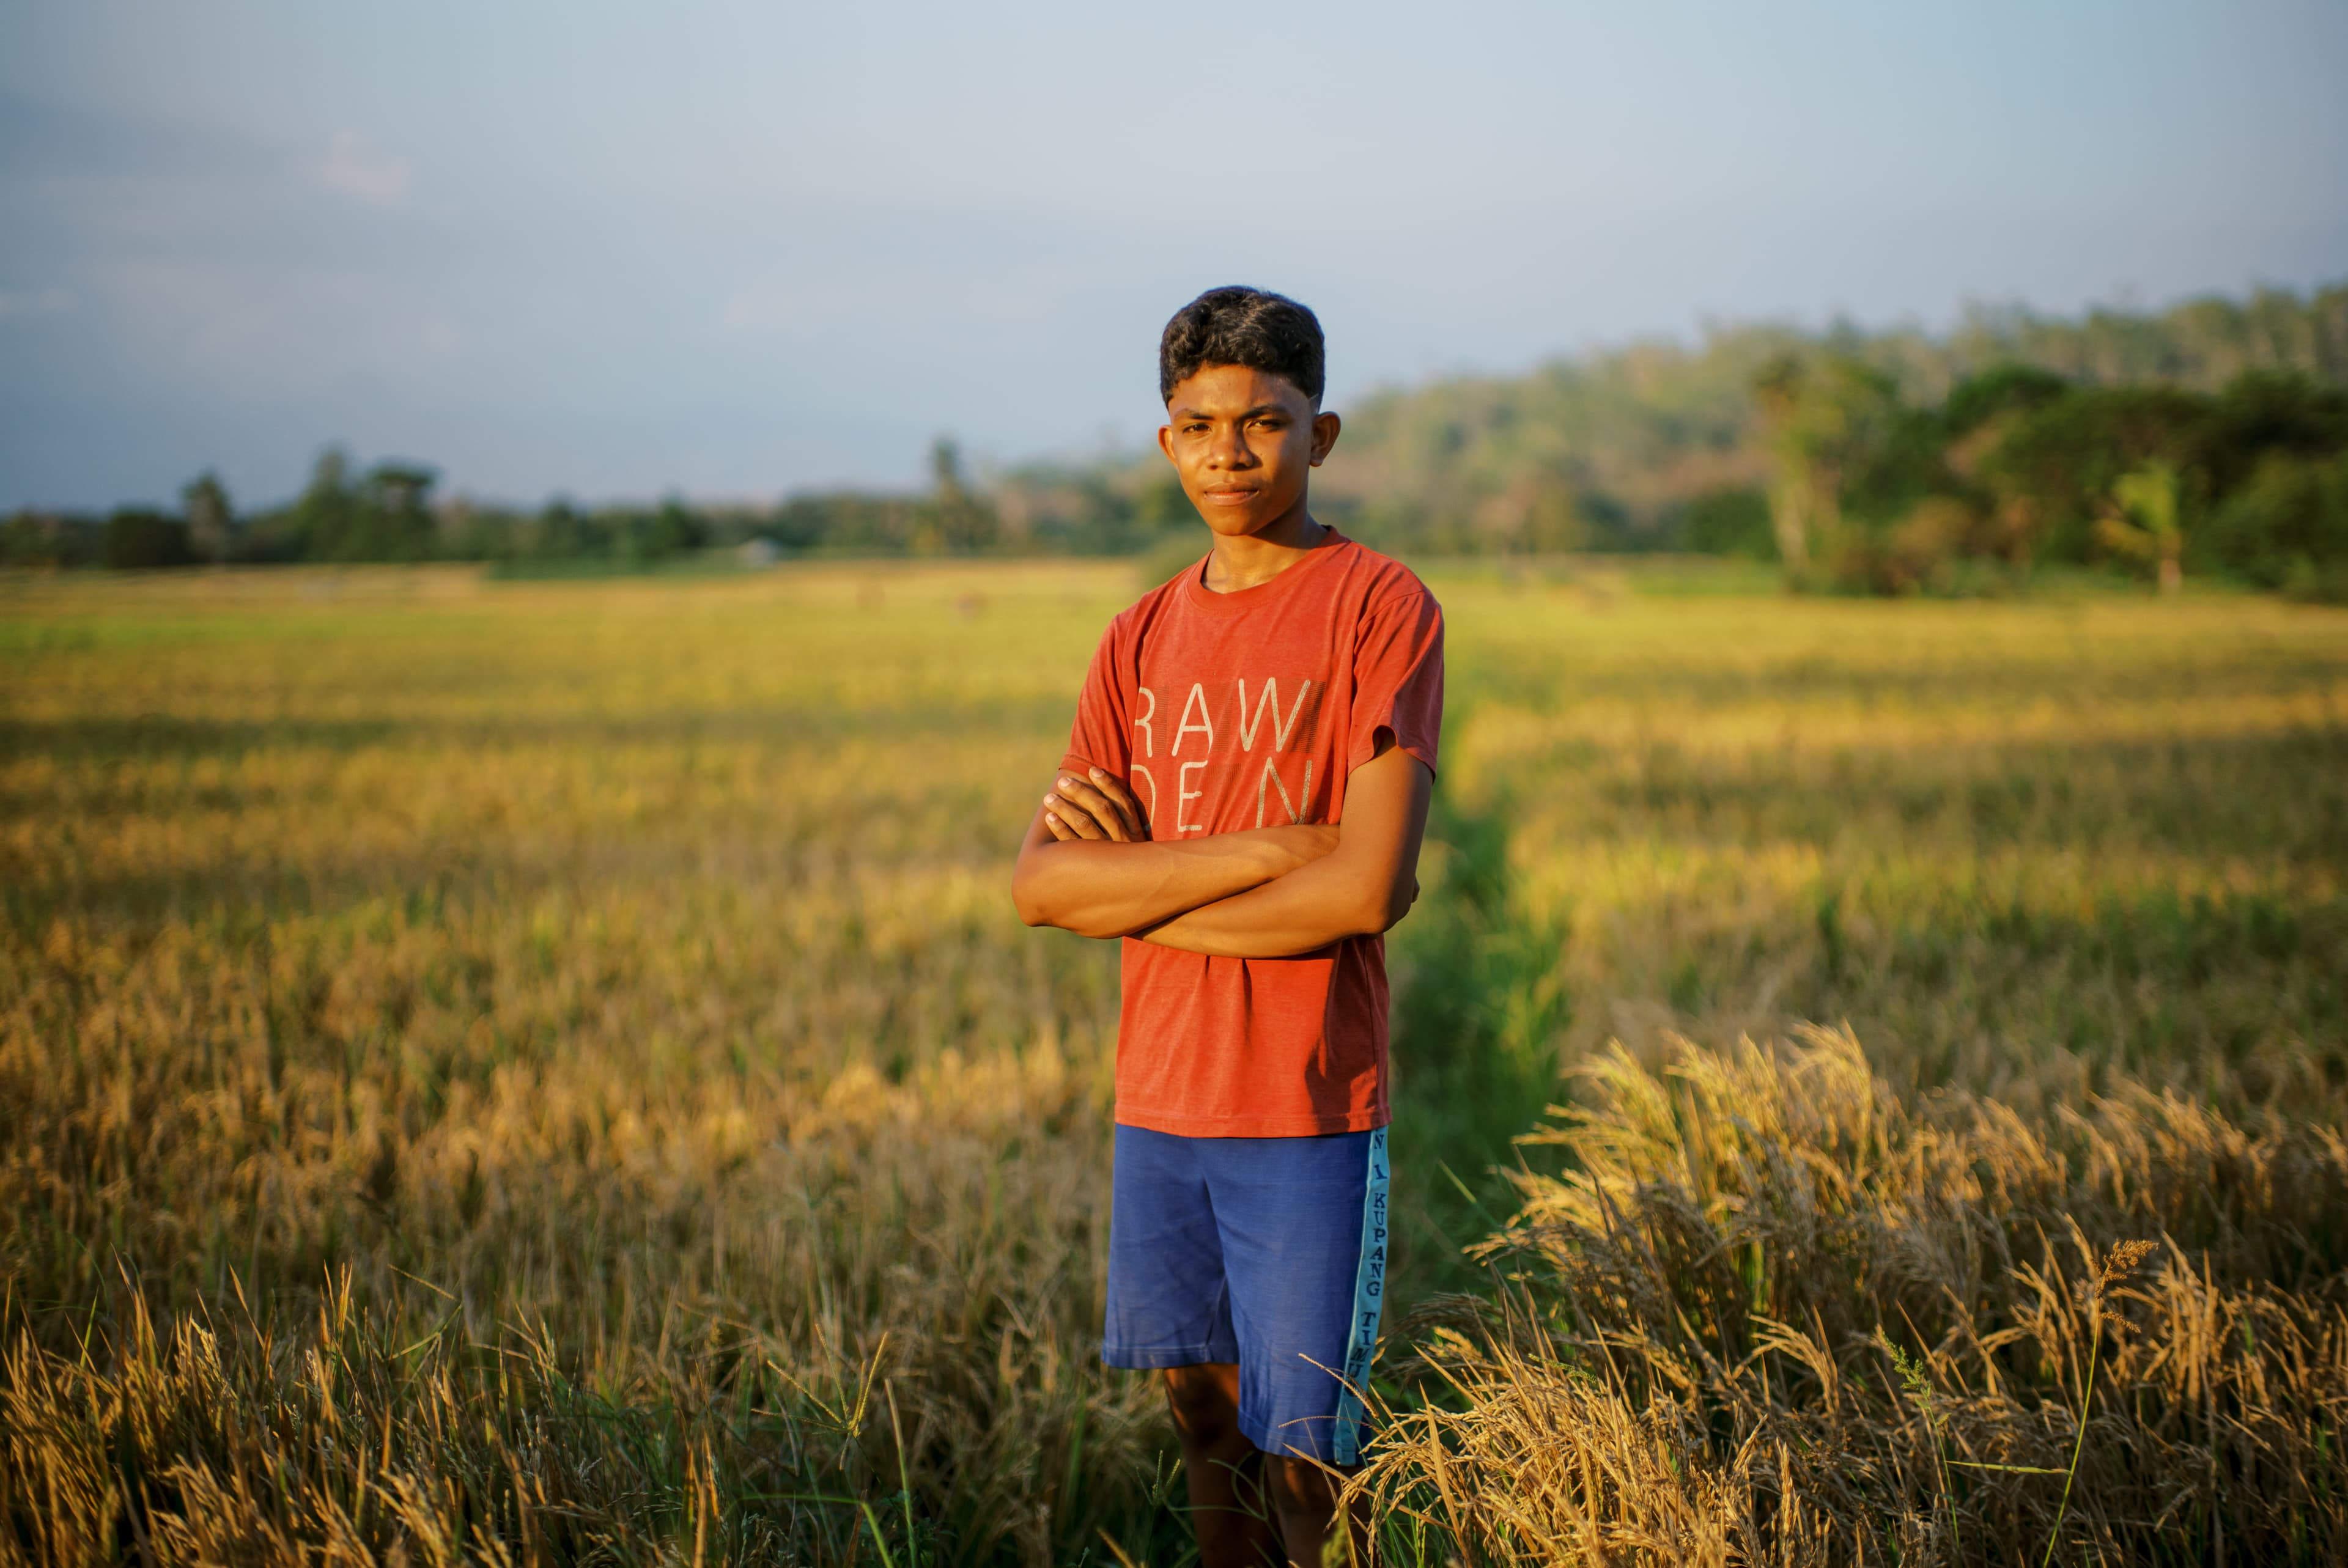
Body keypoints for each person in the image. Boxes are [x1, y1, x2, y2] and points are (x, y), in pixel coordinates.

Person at [1012, 286, 1442, 1567]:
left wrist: (1142, 892)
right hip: (1162, 1095)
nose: (1231, 451)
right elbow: (1043, 886)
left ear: (1325, 434)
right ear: (1166, 443)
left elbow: (1365, 891)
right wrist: (1273, 851)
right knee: (1205, 1423)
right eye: (1199, 424)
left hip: (1308, 1097)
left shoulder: (1378, 604)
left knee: (1311, 1462)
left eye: (1266, 421)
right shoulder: (1137, 636)